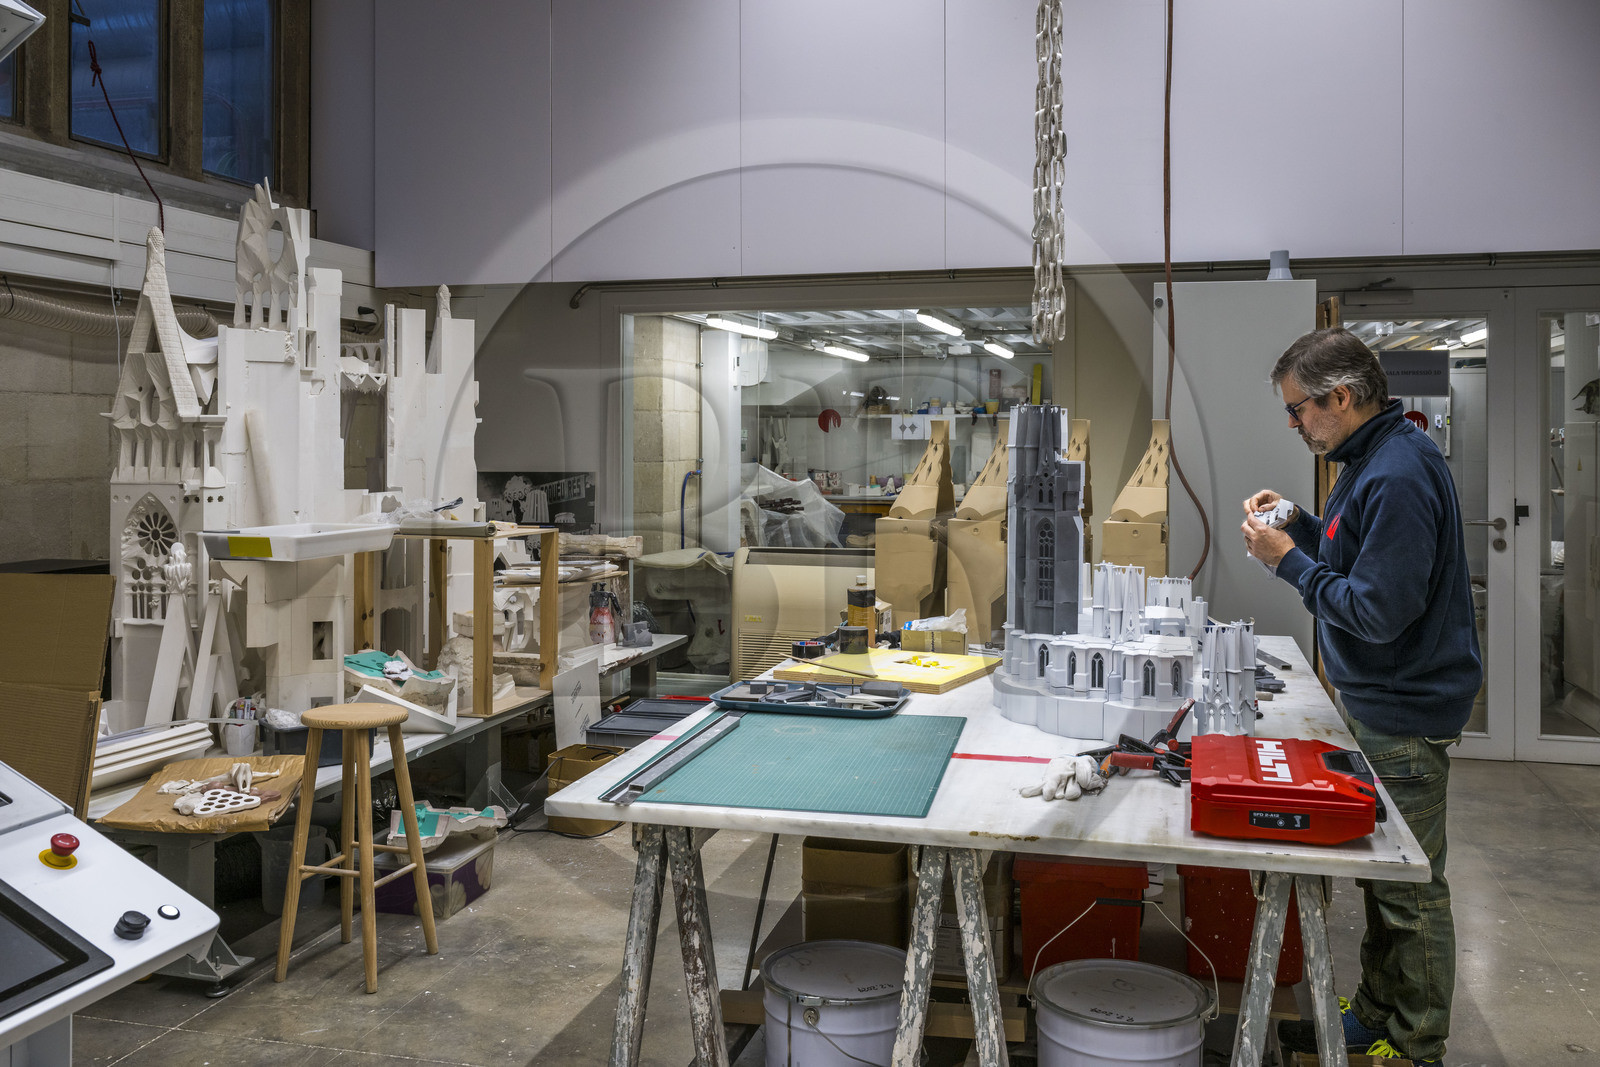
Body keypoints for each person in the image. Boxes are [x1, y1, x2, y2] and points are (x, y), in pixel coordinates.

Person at [1241, 327, 1481, 1067]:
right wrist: (1300, 524)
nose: (1294, 423)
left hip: (1404, 709)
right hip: (1381, 700)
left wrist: (1289, 565)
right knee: (1385, 879)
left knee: (1411, 890)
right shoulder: (1371, 457)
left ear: (1340, 398)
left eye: (1299, 409)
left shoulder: (1399, 471)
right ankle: (1379, 1008)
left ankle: (1414, 1045)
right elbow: (1354, 550)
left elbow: (1377, 609)